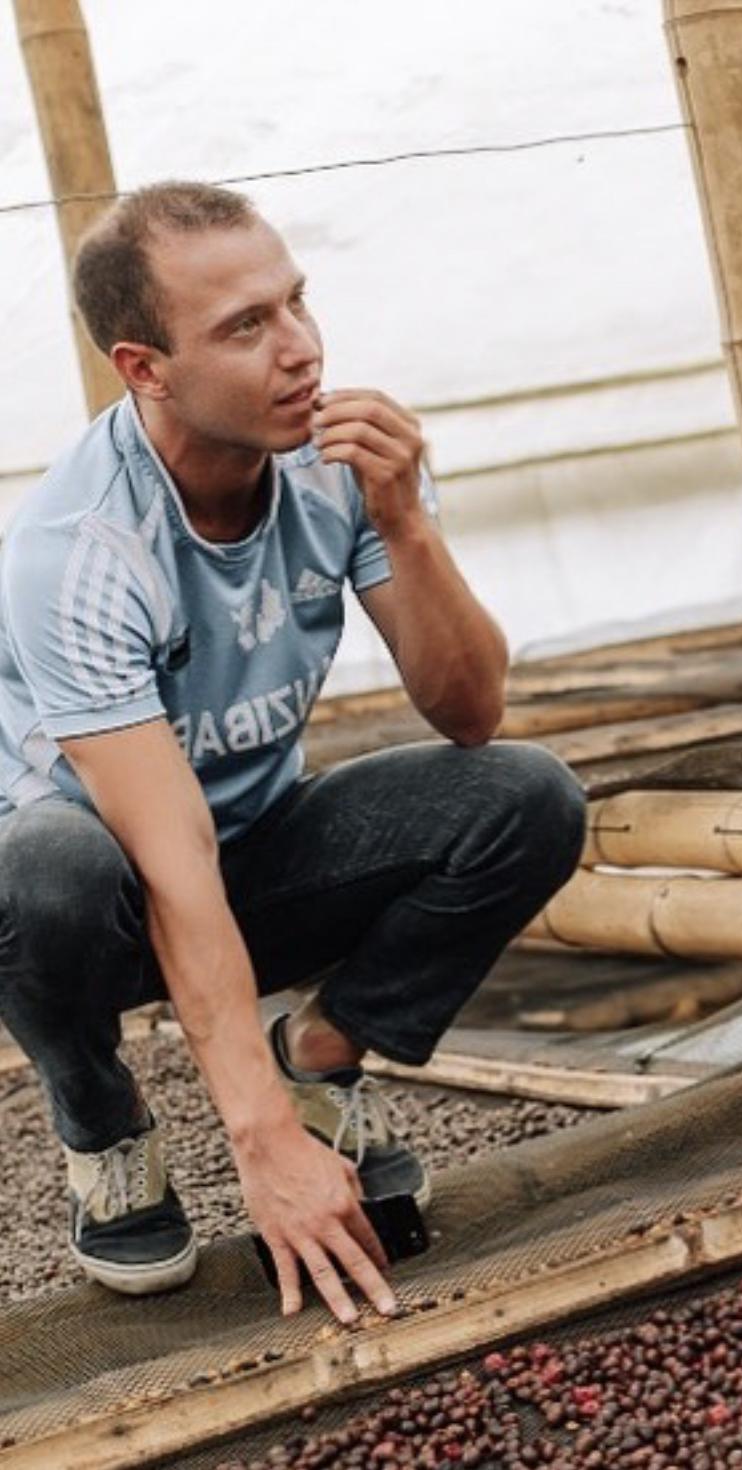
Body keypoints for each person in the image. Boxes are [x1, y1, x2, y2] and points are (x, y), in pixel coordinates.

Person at [0, 182, 585, 1319]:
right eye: (245, 327)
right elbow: (169, 870)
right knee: (42, 868)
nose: (301, 350)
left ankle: (323, 1051)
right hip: (106, 906)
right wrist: (258, 1146)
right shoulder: (81, 550)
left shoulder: (335, 465)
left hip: (259, 848)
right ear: (146, 369)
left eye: (297, 302)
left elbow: (469, 713)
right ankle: (99, 1113)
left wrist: (405, 520)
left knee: (527, 797)